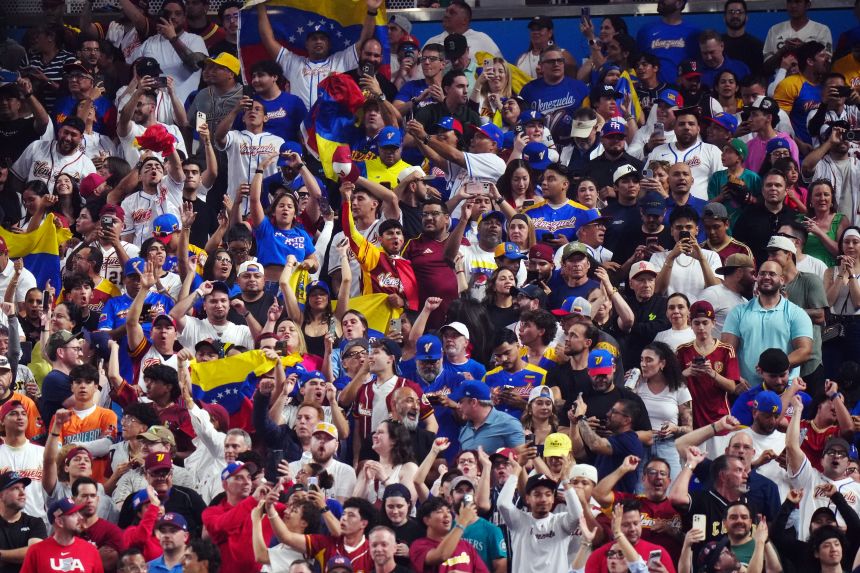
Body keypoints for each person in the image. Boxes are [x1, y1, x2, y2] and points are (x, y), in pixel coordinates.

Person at [785, 396, 860, 540]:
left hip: (846, 552)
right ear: (821, 460)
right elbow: (791, 446)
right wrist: (797, 410)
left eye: (841, 453)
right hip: (808, 548)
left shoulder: (858, 489)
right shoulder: (809, 478)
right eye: (830, 452)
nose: (836, 456)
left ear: (848, 462)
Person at [20, 497, 103, 573]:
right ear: (60, 522)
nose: (80, 517)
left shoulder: (91, 551)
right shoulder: (35, 551)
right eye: (73, 514)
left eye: (78, 513)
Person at [410, 497, 488, 573]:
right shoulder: (418, 546)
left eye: (448, 511)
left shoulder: (465, 545)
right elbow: (442, 555)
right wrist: (463, 521)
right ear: (426, 520)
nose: (447, 515)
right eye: (439, 511)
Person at [451, 380, 525, 454]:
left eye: (460, 402)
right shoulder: (465, 429)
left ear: (473, 402)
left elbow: (523, 460)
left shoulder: (508, 423)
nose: (458, 406)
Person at [635, 0, 700, 84]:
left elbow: (698, 64)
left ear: (679, 3)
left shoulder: (694, 32)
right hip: (654, 91)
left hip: (684, 91)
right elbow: (637, 62)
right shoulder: (645, 31)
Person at [73, 477, 123, 572]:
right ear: (73, 499)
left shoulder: (113, 532)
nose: (89, 500)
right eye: (84, 496)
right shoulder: (66, 531)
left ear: (98, 499)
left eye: (93, 496)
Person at [0, 470, 46, 567]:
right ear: (1, 495)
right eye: (15, 488)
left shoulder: (35, 522)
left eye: (23, 488)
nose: (22, 493)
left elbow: (35, 553)